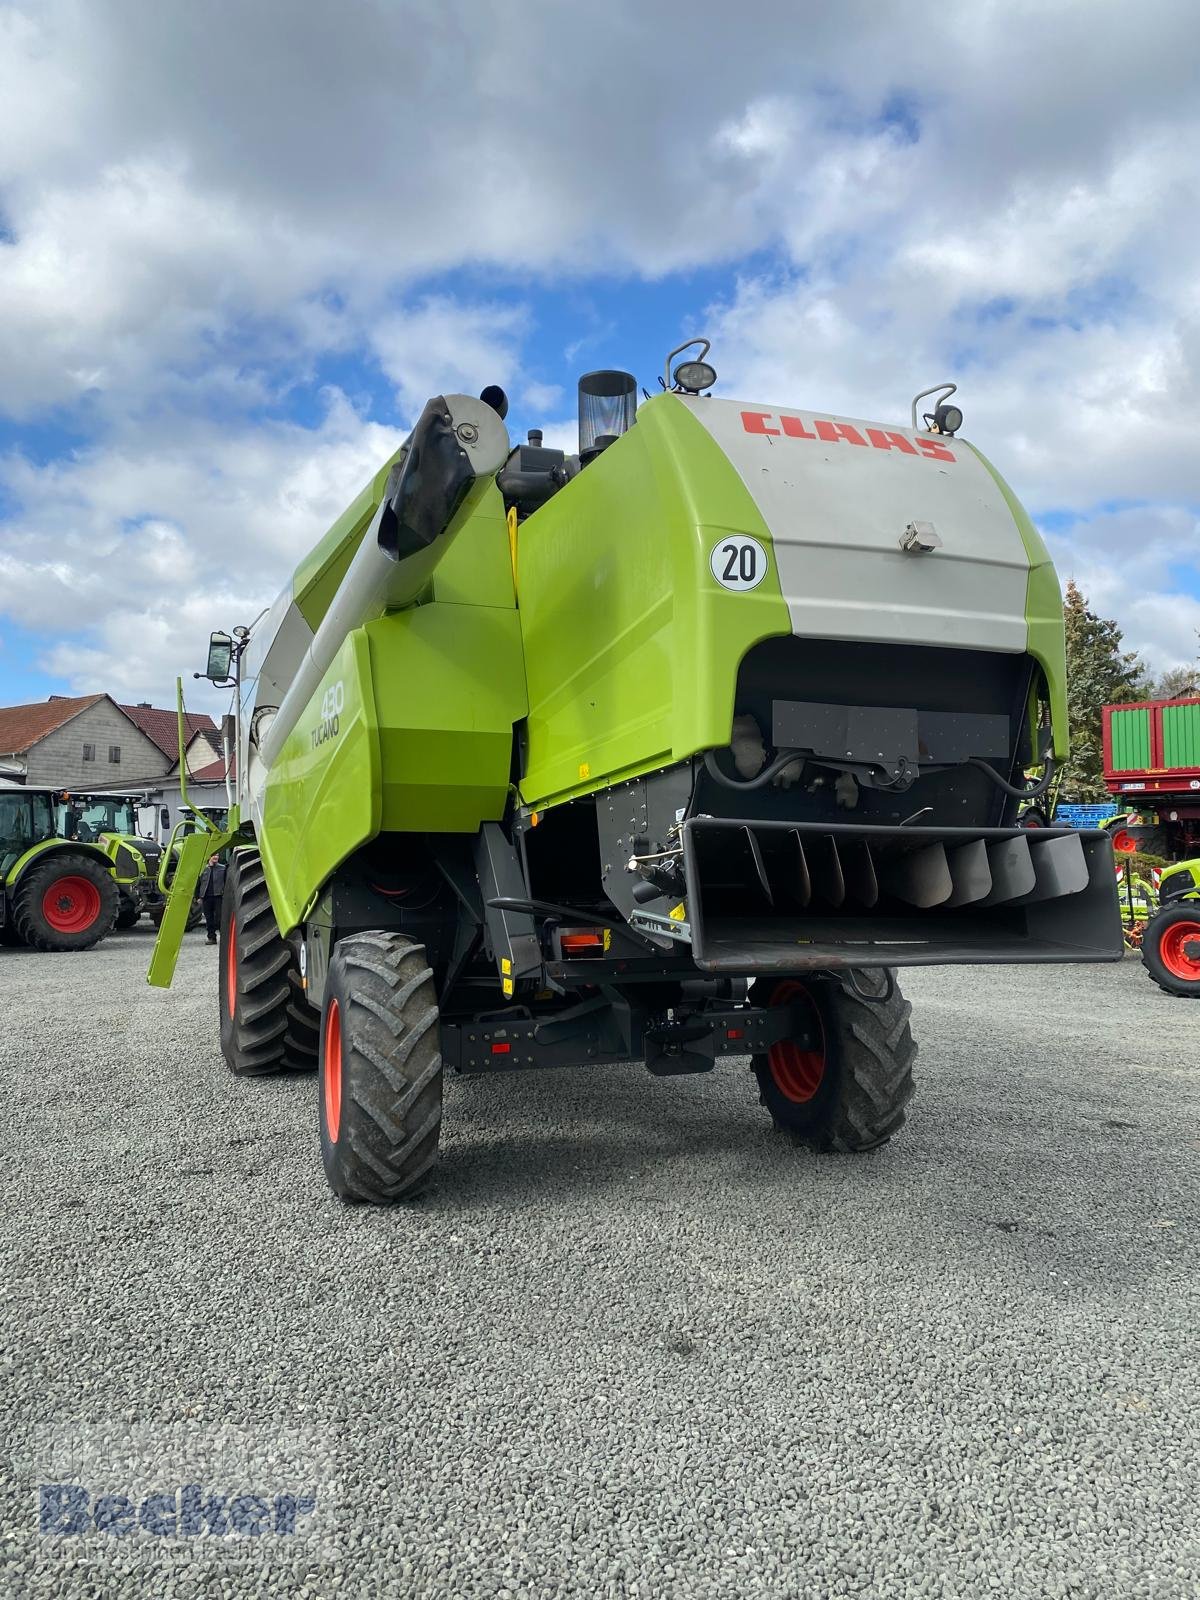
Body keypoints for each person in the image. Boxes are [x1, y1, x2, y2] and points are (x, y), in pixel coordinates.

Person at [198, 853, 226, 944]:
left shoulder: (223, 868)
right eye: (214, 855)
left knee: (220, 918)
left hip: (219, 897)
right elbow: (198, 884)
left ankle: (224, 939)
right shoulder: (203, 869)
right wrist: (198, 896)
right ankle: (211, 938)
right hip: (206, 897)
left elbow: (226, 882)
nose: (216, 857)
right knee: (209, 919)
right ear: (209, 857)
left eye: (217, 855)